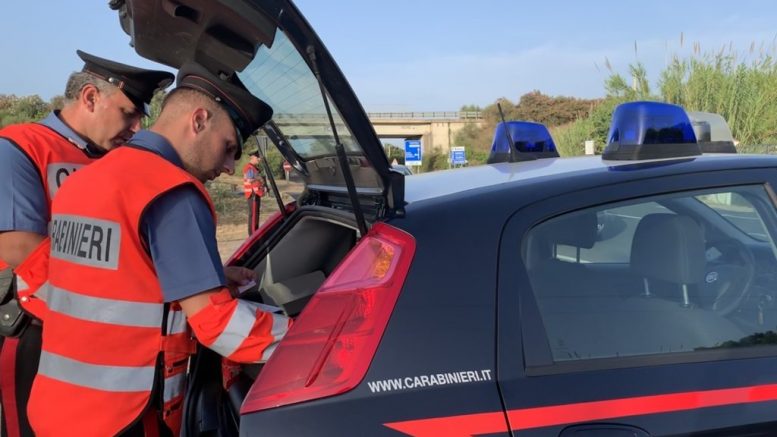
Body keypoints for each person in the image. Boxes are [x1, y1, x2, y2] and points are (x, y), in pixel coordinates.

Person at [27, 61, 290, 437]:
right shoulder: (171, 191)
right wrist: (312, 337)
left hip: (55, 406)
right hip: (124, 417)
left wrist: (200, 279)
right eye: (228, 147)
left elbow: (110, 279)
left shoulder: (85, 178)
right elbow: (218, 326)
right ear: (199, 120)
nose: (229, 167)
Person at [0, 50, 174, 437]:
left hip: (102, 334)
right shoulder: (20, 147)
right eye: (128, 114)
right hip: (34, 330)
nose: (135, 128)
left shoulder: (117, 161)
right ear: (91, 97)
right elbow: (18, 246)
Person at [243, 151, 266, 235]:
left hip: (256, 194)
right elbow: (249, 180)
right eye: (257, 158)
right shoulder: (249, 167)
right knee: (253, 216)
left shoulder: (254, 168)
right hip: (253, 194)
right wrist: (259, 178)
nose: (259, 159)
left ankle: (255, 233)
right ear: (252, 157)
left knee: (255, 215)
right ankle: (253, 235)